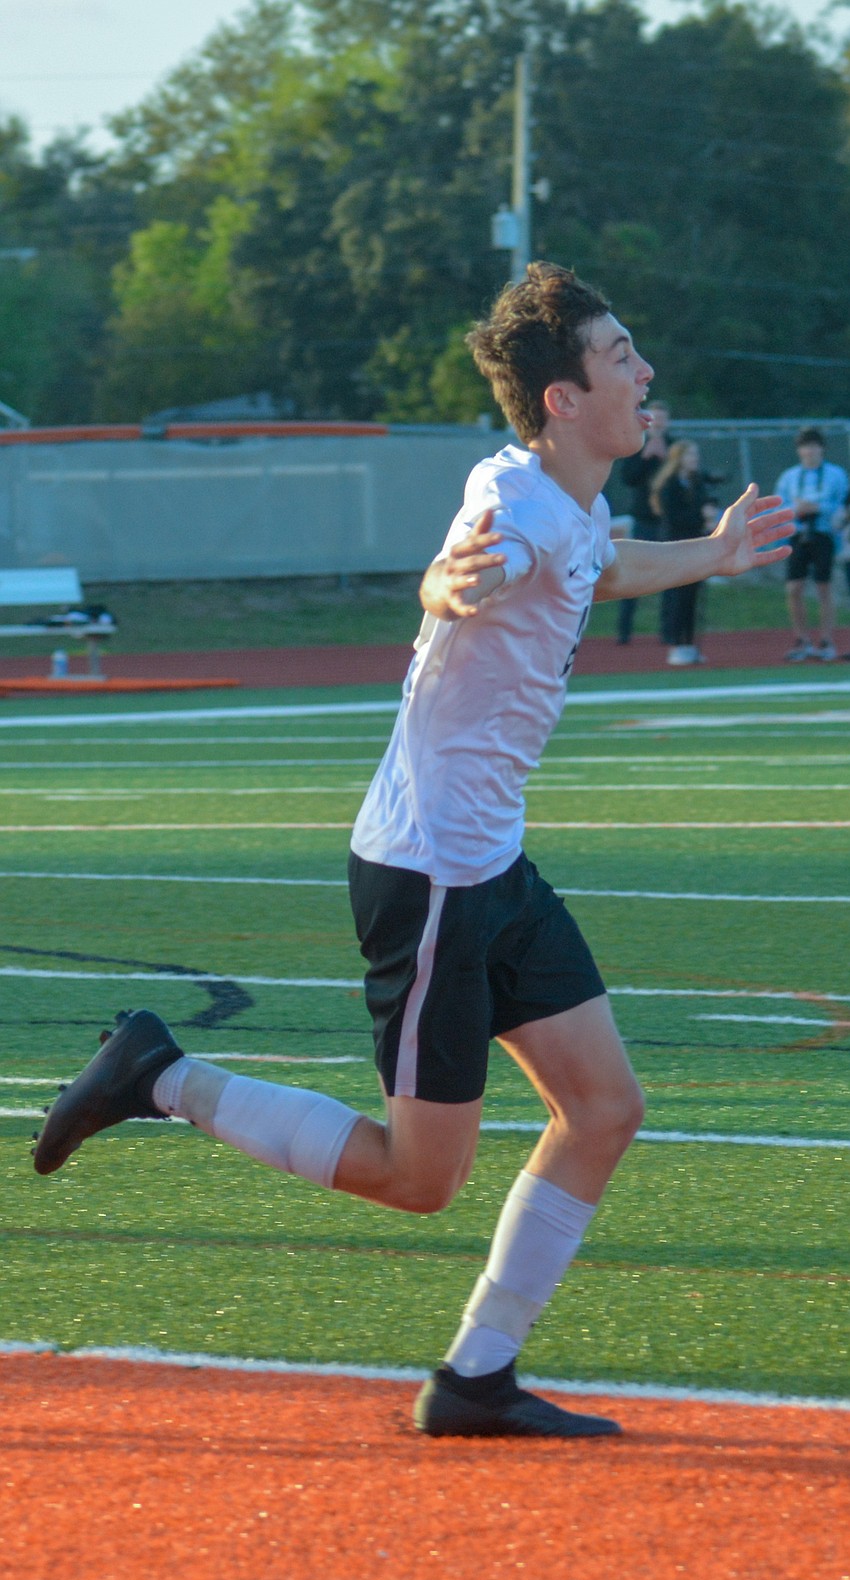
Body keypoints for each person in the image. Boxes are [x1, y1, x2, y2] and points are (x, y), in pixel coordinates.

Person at [31, 263, 794, 1440]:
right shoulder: (517, 505)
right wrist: (441, 588)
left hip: (490, 865)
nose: (645, 372)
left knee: (603, 1109)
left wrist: (712, 549)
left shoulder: (572, 503)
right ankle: (157, 1074)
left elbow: (602, 565)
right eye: (621, 354)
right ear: (561, 398)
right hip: (431, 874)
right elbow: (463, 576)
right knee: (417, 1177)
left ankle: (475, 1378)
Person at [774, 426, 848, 662]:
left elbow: (843, 506)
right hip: (798, 534)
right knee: (794, 588)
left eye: (814, 446)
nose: (810, 451)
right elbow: (779, 506)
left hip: (824, 534)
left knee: (823, 587)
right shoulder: (790, 476)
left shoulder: (836, 474)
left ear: (822, 448)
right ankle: (802, 639)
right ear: (799, 450)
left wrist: (819, 508)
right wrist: (798, 509)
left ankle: (826, 639)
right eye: (805, 446)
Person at [650, 439, 719, 666]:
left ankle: (690, 643)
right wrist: (701, 516)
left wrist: (709, 510)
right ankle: (677, 643)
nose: (695, 459)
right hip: (675, 545)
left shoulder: (696, 482)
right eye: (690, 455)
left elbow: (707, 499)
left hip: (695, 543)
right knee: (679, 595)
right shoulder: (669, 485)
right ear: (679, 458)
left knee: (692, 595)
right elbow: (673, 518)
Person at [614, 400, 671, 644]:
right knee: (633, 576)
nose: (657, 422)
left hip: (668, 520)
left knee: (671, 576)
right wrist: (647, 457)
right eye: (654, 417)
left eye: (662, 418)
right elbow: (628, 477)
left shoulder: (676, 446)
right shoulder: (635, 444)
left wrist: (667, 457)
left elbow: (684, 473)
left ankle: (668, 632)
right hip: (643, 519)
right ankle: (624, 633)